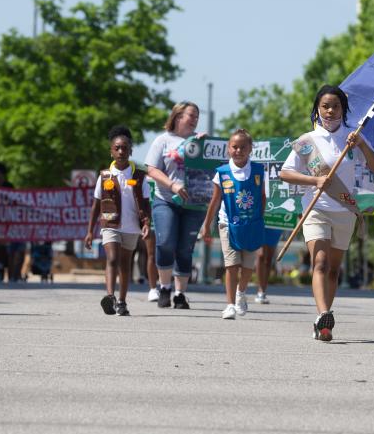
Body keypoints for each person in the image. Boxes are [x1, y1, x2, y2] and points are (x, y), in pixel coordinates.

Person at [279, 85, 374, 341]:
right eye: (325, 105)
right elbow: (285, 173)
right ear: (317, 108)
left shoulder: (353, 136)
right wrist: (314, 182)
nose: (330, 110)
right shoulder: (307, 141)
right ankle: (323, 314)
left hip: (345, 210)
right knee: (321, 263)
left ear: (343, 109)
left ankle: (323, 324)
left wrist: (362, 145)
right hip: (316, 209)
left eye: (335, 106)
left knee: (334, 270)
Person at [85, 126, 150, 316]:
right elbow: (96, 205)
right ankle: (110, 296)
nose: (121, 151)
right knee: (112, 259)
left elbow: (146, 204)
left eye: (125, 148)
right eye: (117, 148)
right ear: (111, 151)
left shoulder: (139, 177)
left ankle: (122, 301)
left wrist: (146, 223)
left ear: (130, 151)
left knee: (125, 264)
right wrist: (90, 231)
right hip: (110, 224)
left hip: (131, 227)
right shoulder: (104, 176)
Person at [201, 129, 266, 320]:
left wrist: (258, 219)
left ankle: (241, 293)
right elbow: (214, 201)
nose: (238, 150)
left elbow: (262, 196)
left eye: (243, 147)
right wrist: (207, 225)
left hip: (252, 225)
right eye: (234, 147)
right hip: (227, 224)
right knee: (231, 266)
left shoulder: (258, 171)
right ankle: (229, 305)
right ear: (229, 149)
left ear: (250, 149)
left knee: (247, 266)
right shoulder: (221, 173)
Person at [144, 101, 204, 309]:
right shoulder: (163, 140)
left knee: (185, 248)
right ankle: (165, 287)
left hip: (193, 204)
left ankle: (180, 294)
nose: (195, 119)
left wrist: (207, 147)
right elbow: (151, 169)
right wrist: (172, 185)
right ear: (178, 116)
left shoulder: (199, 141)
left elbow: (213, 166)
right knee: (165, 242)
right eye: (191, 115)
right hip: (166, 200)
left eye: (197, 115)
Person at [254, 227, 283, 304]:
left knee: (269, 258)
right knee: (261, 255)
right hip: (260, 221)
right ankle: (260, 290)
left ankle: (263, 290)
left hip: (275, 222)